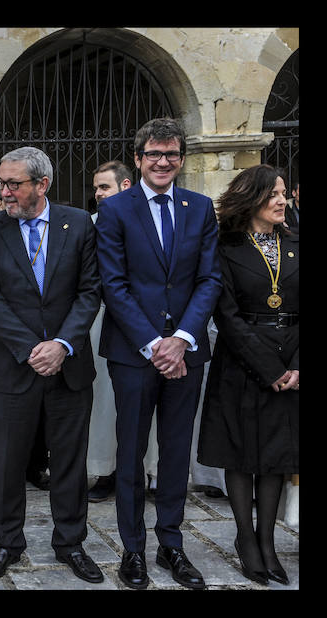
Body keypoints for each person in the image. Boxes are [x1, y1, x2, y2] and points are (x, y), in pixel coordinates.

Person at [95, 117, 222, 590]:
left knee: (174, 452)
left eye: (171, 154)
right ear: (138, 159)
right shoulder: (116, 211)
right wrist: (154, 344)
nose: (163, 161)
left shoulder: (200, 207)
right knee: (130, 453)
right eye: (154, 154)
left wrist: (182, 338)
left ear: (182, 159)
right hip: (134, 353)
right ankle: (133, 549)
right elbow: (114, 283)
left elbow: (209, 279)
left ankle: (172, 543)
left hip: (186, 352)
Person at [0, 146, 103, 584]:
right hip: (12, 365)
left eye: (14, 184)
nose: (4, 192)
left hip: (69, 366)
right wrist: (33, 348)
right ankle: (7, 542)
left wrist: (62, 344)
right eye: (1, 184)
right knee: (7, 461)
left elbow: (90, 291)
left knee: (69, 459)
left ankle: (70, 543)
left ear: (41, 185)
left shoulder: (79, 223)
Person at [197, 164, 298, 586]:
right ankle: (245, 539)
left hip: (291, 362)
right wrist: (269, 367)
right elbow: (227, 314)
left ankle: (267, 541)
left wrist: (294, 365)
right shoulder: (225, 246)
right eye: (272, 194)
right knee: (242, 453)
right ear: (252, 198)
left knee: (276, 455)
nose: (281, 200)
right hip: (241, 362)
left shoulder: (295, 243)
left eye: (283, 194)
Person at [86, 160, 142, 503]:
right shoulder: (89, 224)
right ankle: (106, 470)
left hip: (146, 323)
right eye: (95, 188)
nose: (97, 194)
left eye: (103, 187)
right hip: (102, 320)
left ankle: (143, 470)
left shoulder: (144, 220)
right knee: (106, 403)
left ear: (125, 186)